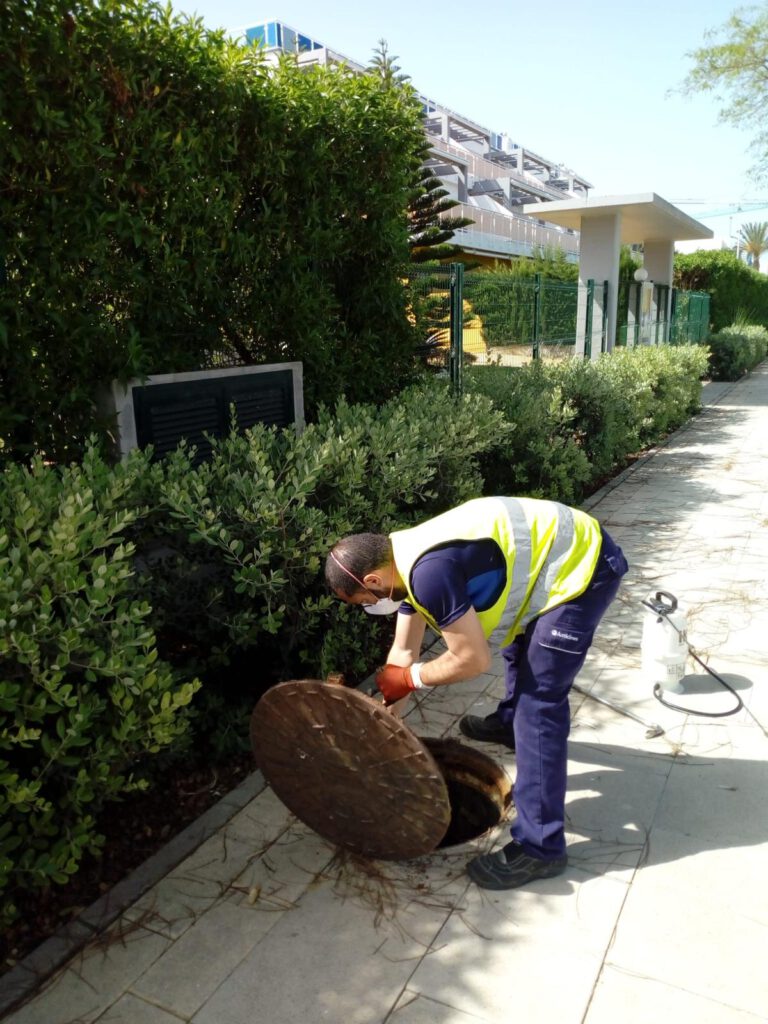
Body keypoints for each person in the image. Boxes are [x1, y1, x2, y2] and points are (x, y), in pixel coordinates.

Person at [325, 496, 628, 890]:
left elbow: (471, 660)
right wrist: (387, 716)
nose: (366, 607)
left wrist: (412, 679)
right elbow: (402, 653)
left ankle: (541, 848)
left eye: (361, 602)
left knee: (539, 706)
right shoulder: (402, 560)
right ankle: (507, 725)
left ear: (372, 581)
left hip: (584, 568)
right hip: (549, 562)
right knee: (518, 649)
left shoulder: (428, 575)